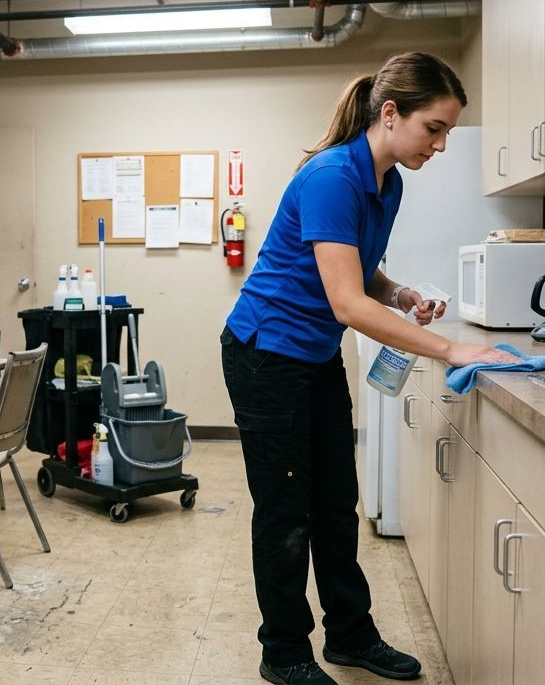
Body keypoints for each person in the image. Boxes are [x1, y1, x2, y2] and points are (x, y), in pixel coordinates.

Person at [220, 52, 521, 685]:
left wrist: (403, 295)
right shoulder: (332, 176)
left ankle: (350, 636)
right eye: (434, 128)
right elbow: (345, 302)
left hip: (312, 354)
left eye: (445, 132)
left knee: (336, 503)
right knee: (286, 511)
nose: (440, 144)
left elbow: (360, 272)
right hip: (266, 355)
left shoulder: (388, 183)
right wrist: (449, 348)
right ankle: (284, 651)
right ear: (391, 113)